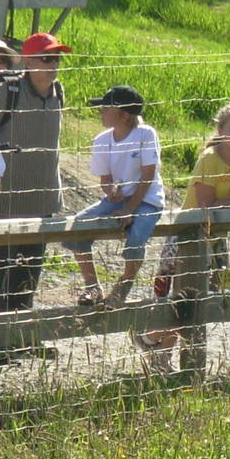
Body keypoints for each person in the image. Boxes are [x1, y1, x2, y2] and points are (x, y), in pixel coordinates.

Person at [141, 102, 230, 371]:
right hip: (188, 235)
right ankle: (155, 341)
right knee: (182, 295)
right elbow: (207, 204)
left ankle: (155, 346)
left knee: (207, 295)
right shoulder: (209, 159)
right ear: (220, 130)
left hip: (216, 235)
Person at [65, 85, 163, 309]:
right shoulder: (102, 140)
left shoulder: (146, 134)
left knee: (138, 233)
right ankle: (92, 286)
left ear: (124, 115)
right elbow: (105, 178)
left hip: (147, 198)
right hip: (118, 199)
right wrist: (111, 191)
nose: (100, 112)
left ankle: (125, 282)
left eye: (105, 109)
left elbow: (148, 176)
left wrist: (130, 208)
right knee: (78, 225)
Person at [0, 32, 69, 319]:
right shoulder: (8, 91)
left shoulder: (58, 91)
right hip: (5, 204)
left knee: (28, 277)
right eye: (46, 58)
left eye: (56, 59)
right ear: (27, 60)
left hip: (41, 204)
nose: (53, 65)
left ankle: (20, 337)